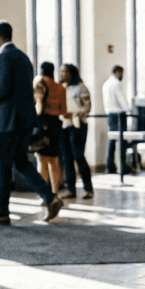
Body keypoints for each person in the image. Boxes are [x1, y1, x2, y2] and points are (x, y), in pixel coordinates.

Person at [0, 20, 63, 225]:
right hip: (24, 121)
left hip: (5, 122)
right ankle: (50, 198)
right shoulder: (24, 58)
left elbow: (2, 90)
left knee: (2, 166)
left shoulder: (2, 57)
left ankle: (1, 213)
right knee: (21, 162)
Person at [58, 63, 94, 200]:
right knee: (66, 158)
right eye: (61, 71)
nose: (62, 74)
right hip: (64, 125)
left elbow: (87, 107)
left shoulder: (81, 88)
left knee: (78, 156)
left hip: (78, 126)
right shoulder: (62, 88)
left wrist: (74, 114)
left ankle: (88, 189)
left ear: (71, 73)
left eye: (64, 71)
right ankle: (70, 189)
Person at [33, 62, 66, 194]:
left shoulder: (40, 84)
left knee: (42, 160)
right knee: (54, 160)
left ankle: (44, 194)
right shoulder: (60, 87)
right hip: (56, 124)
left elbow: (39, 107)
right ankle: (54, 192)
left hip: (44, 124)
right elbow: (63, 110)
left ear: (41, 71)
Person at [103, 64, 134, 174]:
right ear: (118, 72)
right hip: (119, 115)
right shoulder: (116, 83)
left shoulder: (106, 84)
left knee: (112, 141)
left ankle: (110, 166)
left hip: (110, 115)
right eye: (122, 73)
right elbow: (122, 100)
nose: (122, 76)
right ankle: (122, 166)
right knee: (122, 142)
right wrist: (130, 109)